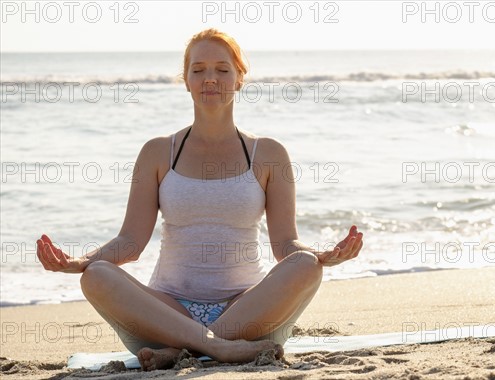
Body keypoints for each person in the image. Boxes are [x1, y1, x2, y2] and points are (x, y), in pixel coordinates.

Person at [36, 28, 364, 371]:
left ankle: (184, 351)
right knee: (96, 275)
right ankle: (217, 348)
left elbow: (285, 244)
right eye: (199, 69)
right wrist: (79, 262)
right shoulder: (158, 152)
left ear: (239, 78)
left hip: (247, 313)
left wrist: (321, 254)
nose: (211, 79)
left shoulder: (268, 153)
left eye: (223, 70)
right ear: (186, 80)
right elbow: (130, 242)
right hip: (165, 314)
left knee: (306, 266)